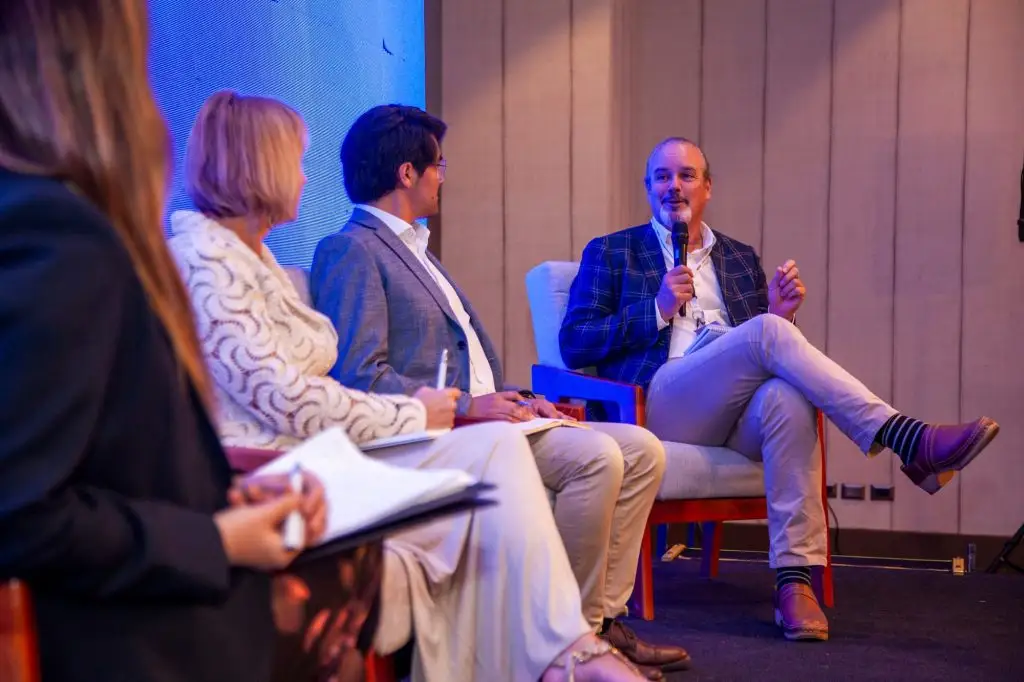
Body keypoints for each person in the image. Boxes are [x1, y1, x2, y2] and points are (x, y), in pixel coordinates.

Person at [167, 90, 649, 682]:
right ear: (258, 165)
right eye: (295, 161)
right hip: (272, 474)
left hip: (322, 454)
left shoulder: (255, 257)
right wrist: (418, 414)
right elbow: (288, 396)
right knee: (501, 460)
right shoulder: (205, 260)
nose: (306, 177)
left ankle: (564, 650)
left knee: (498, 449)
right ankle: (565, 656)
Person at [559, 136, 1001, 642]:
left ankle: (794, 581)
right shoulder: (612, 251)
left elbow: (759, 352)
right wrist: (656, 309)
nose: (673, 186)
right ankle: (907, 438)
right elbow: (574, 342)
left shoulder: (738, 257)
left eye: (686, 175)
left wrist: (780, 316)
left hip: (731, 412)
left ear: (707, 187)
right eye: (662, 176)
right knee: (768, 334)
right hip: (660, 403)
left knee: (786, 398)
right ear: (648, 188)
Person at [0, 3, 329, 681]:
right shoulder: (61, 234)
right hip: (138, 643)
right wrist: (214, 538)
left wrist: (222, 498)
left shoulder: (54, 227)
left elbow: (102, 462)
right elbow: (22, 511)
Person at [310, 104, 691, 678]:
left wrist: (517, 397)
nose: (444, 176)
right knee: (597, 457)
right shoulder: (352, 250)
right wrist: (468, 406)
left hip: (491, 419)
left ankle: (599, 624)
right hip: (440, 433)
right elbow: (360, 376)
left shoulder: (417, 250)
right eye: (438, 165)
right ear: (407, 173)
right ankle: (561, 645)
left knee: (643, 449)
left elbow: (465, 364)